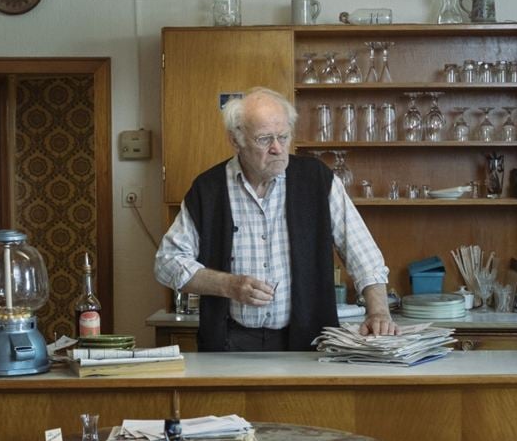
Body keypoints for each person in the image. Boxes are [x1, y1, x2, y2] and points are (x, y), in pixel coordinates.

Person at [155, 86, 397, 351]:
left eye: (283, 136)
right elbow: (167, 263)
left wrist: (378, 312)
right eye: (264, 139)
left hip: (309, 342)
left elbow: (364, 256)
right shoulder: (208, 189)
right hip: (229, 343)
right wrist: (229, 285)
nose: (278, 148)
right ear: (236, 141)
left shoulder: (317, 180)